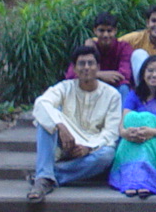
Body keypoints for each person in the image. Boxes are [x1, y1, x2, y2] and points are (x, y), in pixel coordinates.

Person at [27, 46, 120, 203]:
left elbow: (111, 132)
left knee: (107, 155)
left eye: (90, 63)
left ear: (98, 67)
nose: (86, 68)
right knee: (45, 119)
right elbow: (41, 103)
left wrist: (88, 148)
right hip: (64, 141)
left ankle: (46, 176)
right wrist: (60, 125)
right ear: (75, 68)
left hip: (91, 147)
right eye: (81, 64)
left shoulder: (112, 95)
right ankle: (45, 175)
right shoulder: (65, 87)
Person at [109, 55, 156, 197]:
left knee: (148, 123)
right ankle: (131, 181)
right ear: (143, 73)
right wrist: (126, 133)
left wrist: (153, 131)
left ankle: (145, 182)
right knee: (132, 121)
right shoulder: (134, 94)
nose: (154, 75)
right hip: (134, 137)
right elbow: (124, 120)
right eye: (150, 70)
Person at [65, 12, 132, 103]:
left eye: (109, 31)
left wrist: (91, 75)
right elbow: (71, 75)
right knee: (71, 87)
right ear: (95, 31)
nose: (105, 35)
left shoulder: (123, 47)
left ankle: (122, 112)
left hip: (115, 87)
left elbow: (124, 75)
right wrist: (99, 74)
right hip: (91, 87)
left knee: (124, 88)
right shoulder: (88, 48)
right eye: (101, 30)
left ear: (115, 31)